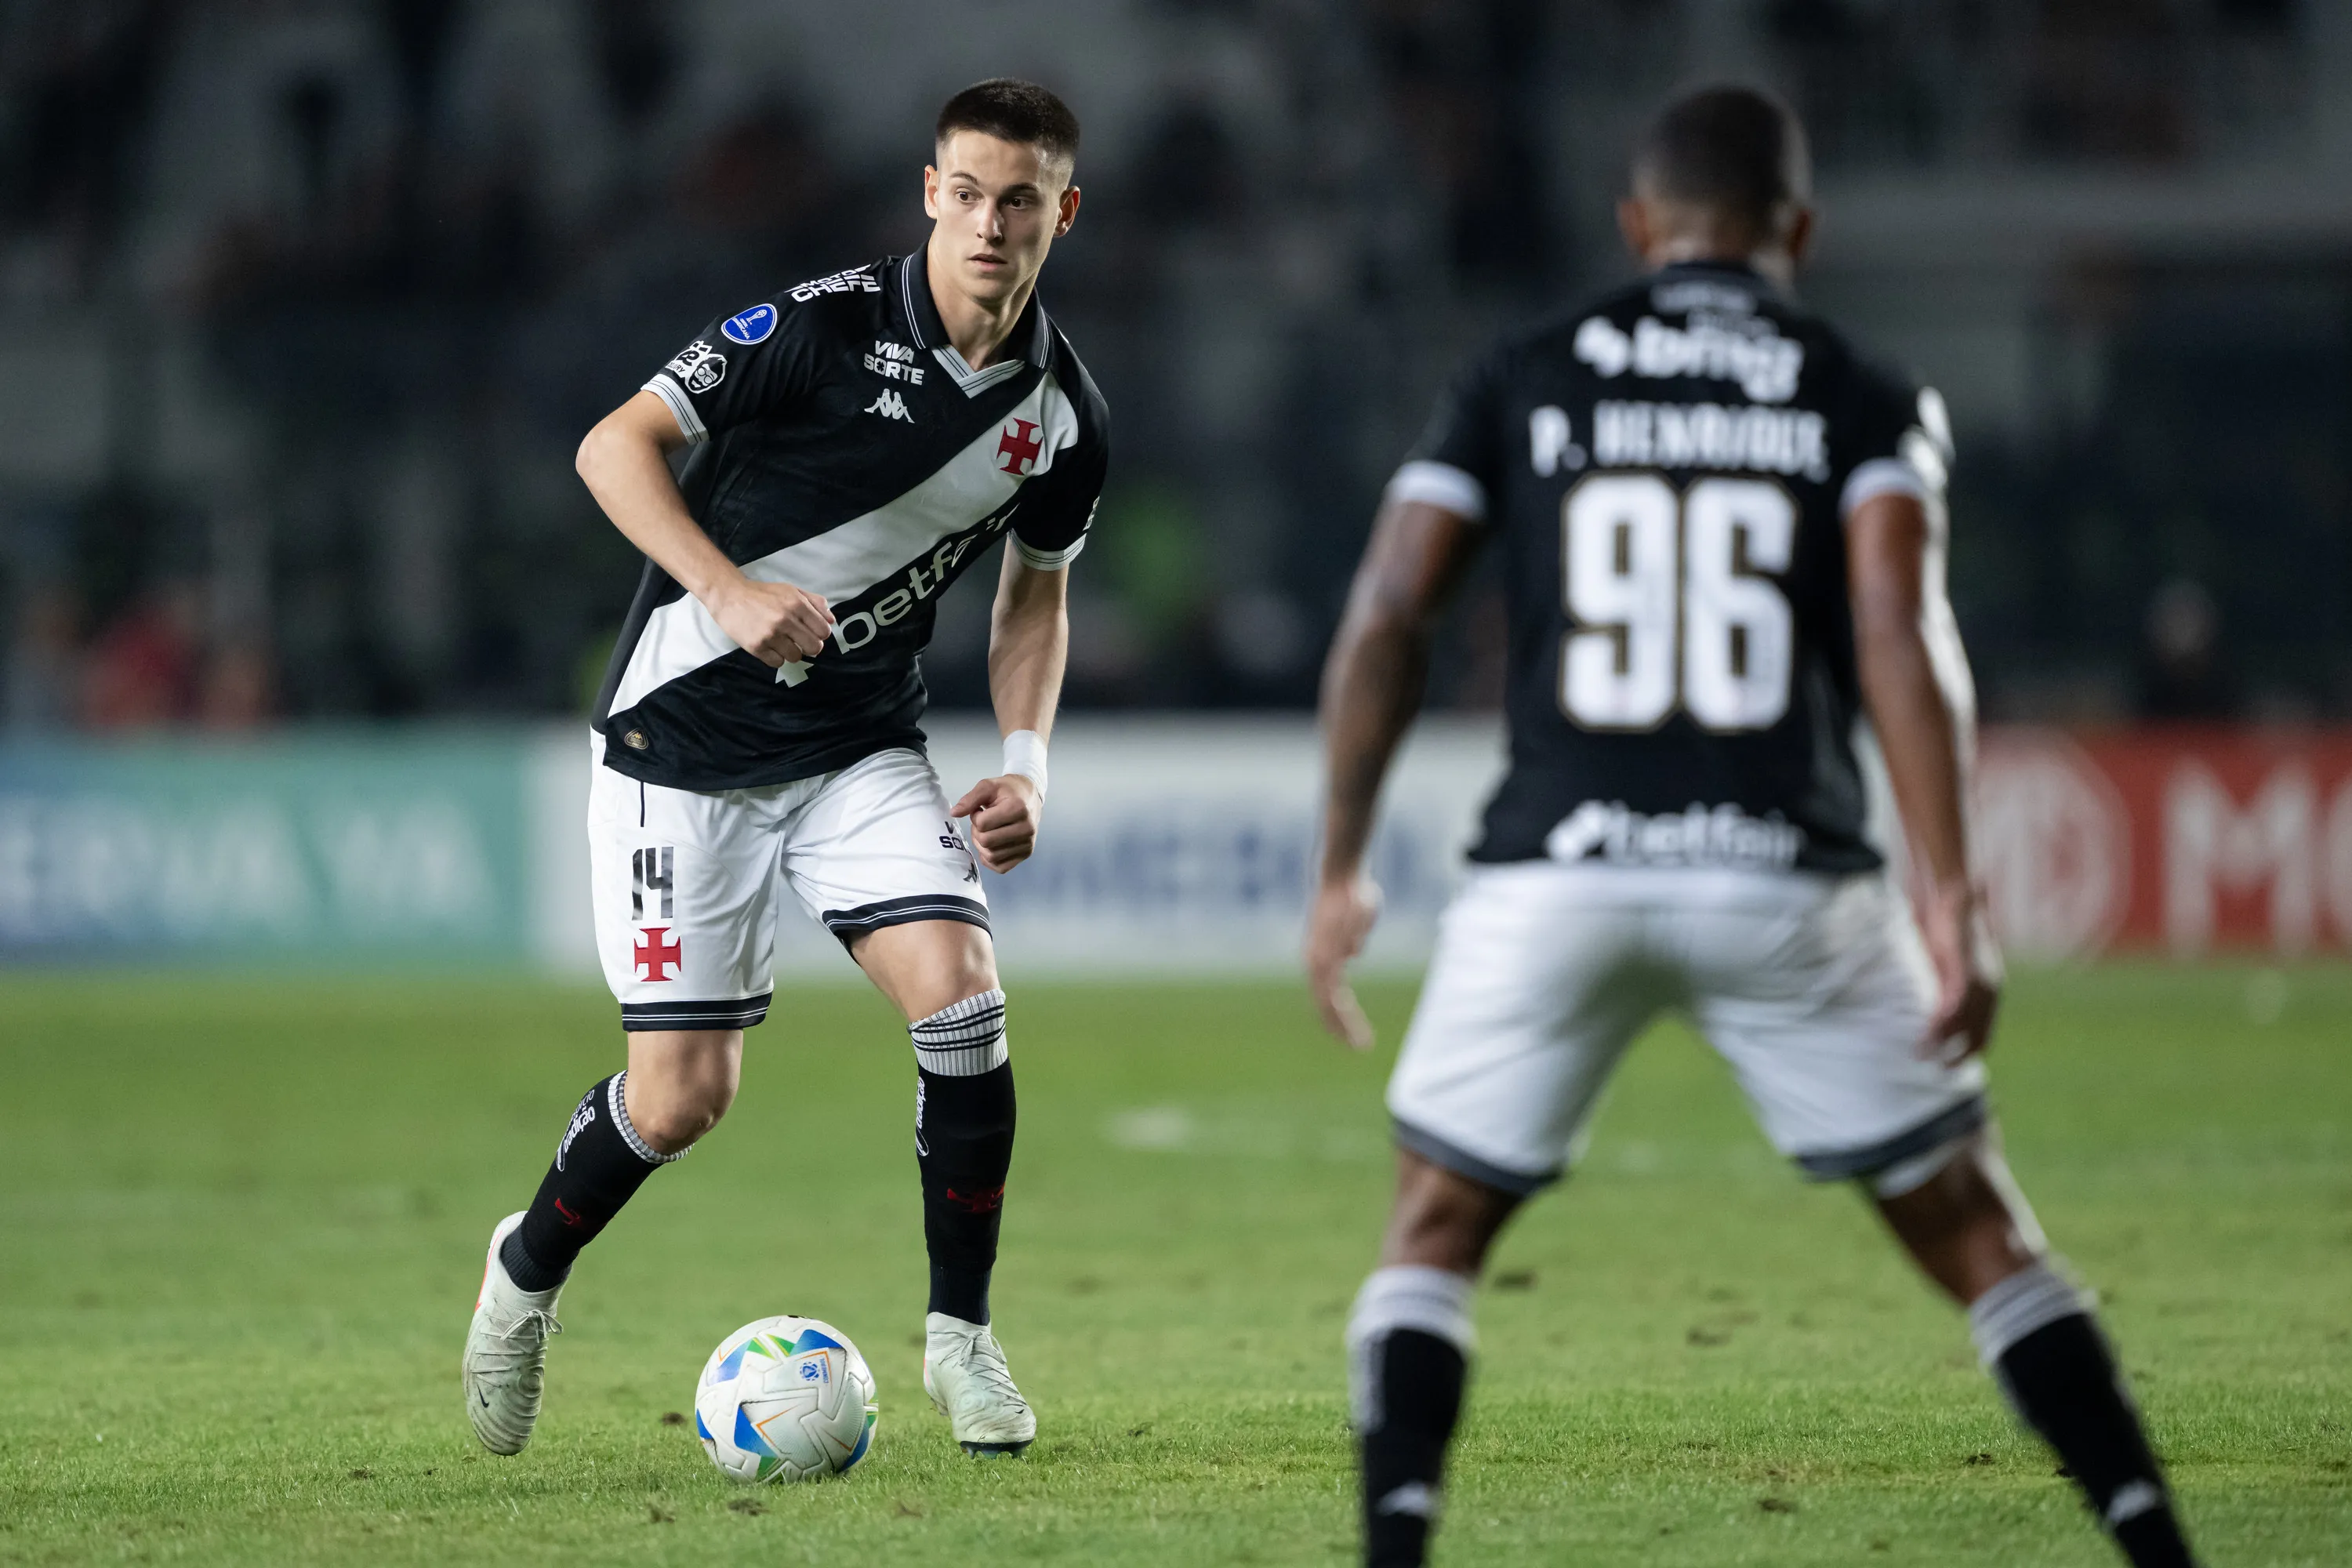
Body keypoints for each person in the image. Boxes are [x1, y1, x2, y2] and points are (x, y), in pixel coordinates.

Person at [1306, 84, 2200, 1568]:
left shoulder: (1520, 375)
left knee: (1433, 1232)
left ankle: (1397, 1551)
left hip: (1559, 872)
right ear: (1798, 228)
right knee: (1981, 1239)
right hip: (1783, 877)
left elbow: (1392, 610)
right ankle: (2156, 1541)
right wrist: (1953, 895)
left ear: (1637, 226)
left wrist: (1342, 863)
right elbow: (1900, 632)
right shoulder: (1860, 388)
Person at [463, 78, 1107, 1462]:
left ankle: (962, 1343)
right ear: (930, 193)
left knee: (965, 1007)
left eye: (1020, 200)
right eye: (967, 193)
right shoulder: (815, 329)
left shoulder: (1061, 416)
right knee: (682, 1100)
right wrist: (727, 588)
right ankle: (523, 1276)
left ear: (1064, 212)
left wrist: (1030, 766)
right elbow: (612, 444)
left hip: (857, 746)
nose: (990, 224)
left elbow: (1035, 599)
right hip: (680, 746)